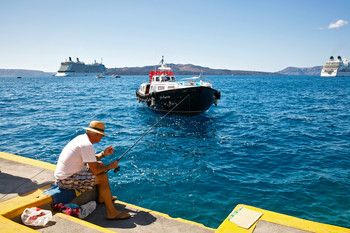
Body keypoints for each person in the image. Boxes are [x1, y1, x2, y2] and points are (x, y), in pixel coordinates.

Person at [54, 120, 130, 220]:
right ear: (97, 134)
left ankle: (102, 198)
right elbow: (95, 171)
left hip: (66, 175)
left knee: (100, 164)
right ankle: (112, 212)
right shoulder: (87, 145)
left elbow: (90, 160)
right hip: (66, 180)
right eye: (101, 135)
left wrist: (103, 154)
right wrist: (110, 166)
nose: (102, 137)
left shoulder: (82, 139)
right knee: (103, 177)